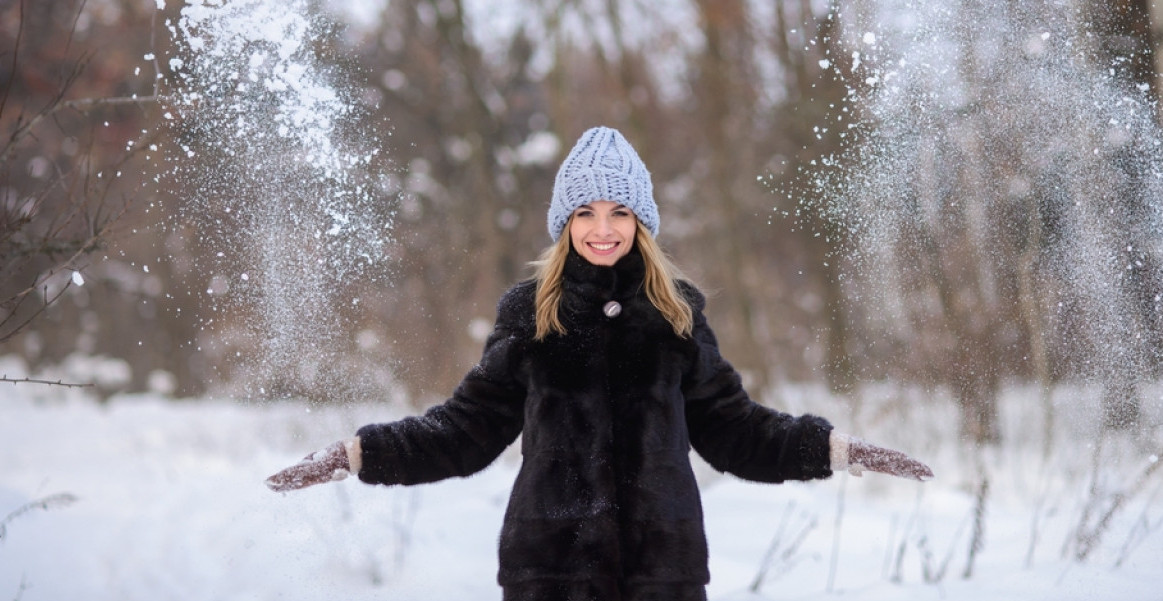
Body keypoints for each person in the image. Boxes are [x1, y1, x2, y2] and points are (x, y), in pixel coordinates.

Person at [266, 126, 933, 601]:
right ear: (564, 222)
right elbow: (465, 429)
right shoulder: (530, 312)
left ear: (641, 221)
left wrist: (836, 449)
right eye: (584, 211)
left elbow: (734, 429)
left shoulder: (676, 314)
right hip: (550, 572)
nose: (602, 227)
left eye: (618, 211)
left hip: (661, 573)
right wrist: (357, 454)